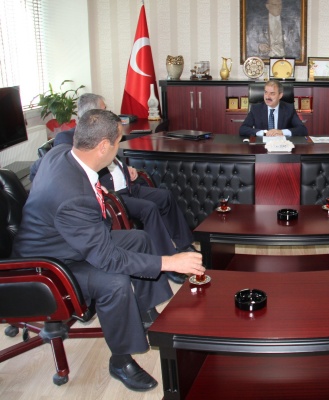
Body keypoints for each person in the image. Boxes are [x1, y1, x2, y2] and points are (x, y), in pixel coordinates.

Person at [12, 109, 205, 391]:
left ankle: (146, 311)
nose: (118, 149)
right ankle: (121, 360)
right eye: (117, 142)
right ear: (103, 146)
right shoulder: (74, 199)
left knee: (138, 239)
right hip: (47, 265)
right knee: (113, 282)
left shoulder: (60, 153)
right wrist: (170, 262)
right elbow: (108, 258)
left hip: (68, 240)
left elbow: (44, 162)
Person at [33, 93, 193, 284]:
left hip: (126, 185)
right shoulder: (69, 143)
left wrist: (125, 169)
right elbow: (105, 256)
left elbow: (43, 167)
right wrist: (92, 186)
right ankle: (169, 261)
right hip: (110, 198)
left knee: (161, 201)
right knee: (148, 209)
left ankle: (183, 247)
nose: (108, 111)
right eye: (104, 109)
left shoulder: (89, 143)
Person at [239, 79, 307, 137]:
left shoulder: (289, 109)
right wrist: (263, 133)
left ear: (280, 95)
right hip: (262, 145)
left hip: (282, 144)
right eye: (266, 92)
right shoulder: (256, 109)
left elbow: (302, 130)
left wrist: (282, 132)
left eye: (272, 93)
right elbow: (243, 129)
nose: (267, 97)